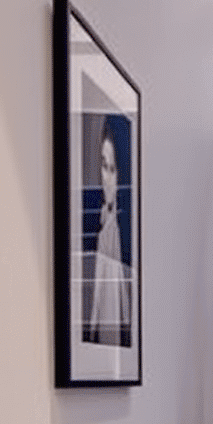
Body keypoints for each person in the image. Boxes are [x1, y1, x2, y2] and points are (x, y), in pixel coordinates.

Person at [88, 121, 131, 346]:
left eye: (112, 170)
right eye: (103, 166)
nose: (106, 178)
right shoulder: (102, 224)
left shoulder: (120, 233)